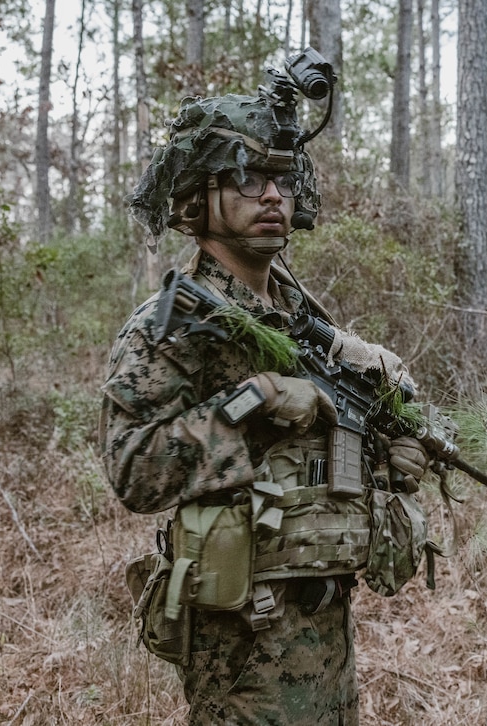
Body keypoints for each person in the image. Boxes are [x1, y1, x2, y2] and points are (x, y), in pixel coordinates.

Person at [100, 85, 430, 724]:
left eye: (280, 179)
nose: (273, 195)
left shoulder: (302, 318)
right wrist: (256, 404)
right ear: (202, 196)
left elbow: (325, 447)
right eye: (248, 179)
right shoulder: (172, 323)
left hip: (328, 621)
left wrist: (391, 453)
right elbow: (134, 467)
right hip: (243, 641)